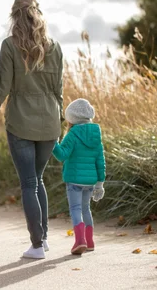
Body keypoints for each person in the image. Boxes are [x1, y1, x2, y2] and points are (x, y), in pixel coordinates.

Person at [0, 0, 64, 259]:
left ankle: (37, 244)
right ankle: (44, 239)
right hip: (50, 122)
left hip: (21, 122)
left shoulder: (9, 46)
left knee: (29, 182)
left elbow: (2, 87)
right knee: (37, 179)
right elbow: (59, 91)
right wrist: (61, 122)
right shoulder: (55, 47)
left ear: (14, 17)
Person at [52, 98, 106, 255]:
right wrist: (100, 183)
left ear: (72, 119)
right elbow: (100, 160)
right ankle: (89, 241)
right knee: (86, 209)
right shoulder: (96, 135)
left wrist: (53, 143)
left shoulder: (73, 134)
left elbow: (62, 155)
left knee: (75, 209)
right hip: (90, 181)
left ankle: (79, 240)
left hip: (74, 180)